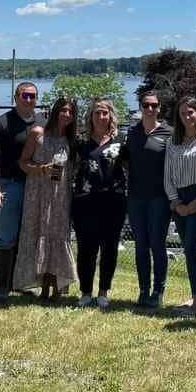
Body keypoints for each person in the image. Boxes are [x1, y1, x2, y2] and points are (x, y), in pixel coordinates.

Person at [13, 97, 78, 299]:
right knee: (38, 234)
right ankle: (41, 286)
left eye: (70, 112)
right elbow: (22, 163)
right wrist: (41, 169)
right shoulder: (37, 133)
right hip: (38, 194)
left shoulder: (70, 139)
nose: (66, 115)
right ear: (55, 111)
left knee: (57, 237)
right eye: (63, 110)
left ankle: (57, 286)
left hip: (60, 197)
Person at [0, 82, 41, 305]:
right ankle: (2, 287)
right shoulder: (1, 123)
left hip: (35, 186)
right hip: (9, 184)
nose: (29, 100)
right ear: (16, 97)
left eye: (33, 96)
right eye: (25, 96)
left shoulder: (42, 122)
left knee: (27, 237)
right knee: (5, 237)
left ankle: (21, 283)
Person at [72, 98, 127, 309]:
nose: (101, 117)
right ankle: (86, 292)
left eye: (105, 113)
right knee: (86, 249)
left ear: (111, 116)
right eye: (97, 113)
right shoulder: (81, 142)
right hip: (85, 202)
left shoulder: (121, 141)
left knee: (110, 248)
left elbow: (131, 169)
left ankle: (103, 291)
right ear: (91, 116)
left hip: (114, 201)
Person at [121, 90, 173, 308]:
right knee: (141, 245)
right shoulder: (132, 133)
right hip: (136, 198)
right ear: (141, 107)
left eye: (154, 105)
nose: (150, 109)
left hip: (160, 198)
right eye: (146, 105)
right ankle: (143, 291)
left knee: (157, 245)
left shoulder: (169, 133)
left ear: (159, 108)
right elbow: (125, 159)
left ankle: (158, 291)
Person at [164, 96, 196, 316]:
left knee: (191, 248)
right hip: (178, 198)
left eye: (191, 112)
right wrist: (175, 201)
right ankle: (195, 296)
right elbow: (167, 175)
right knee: (187, 250)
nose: (187, 116)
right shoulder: (173, 141)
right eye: (183, 113)